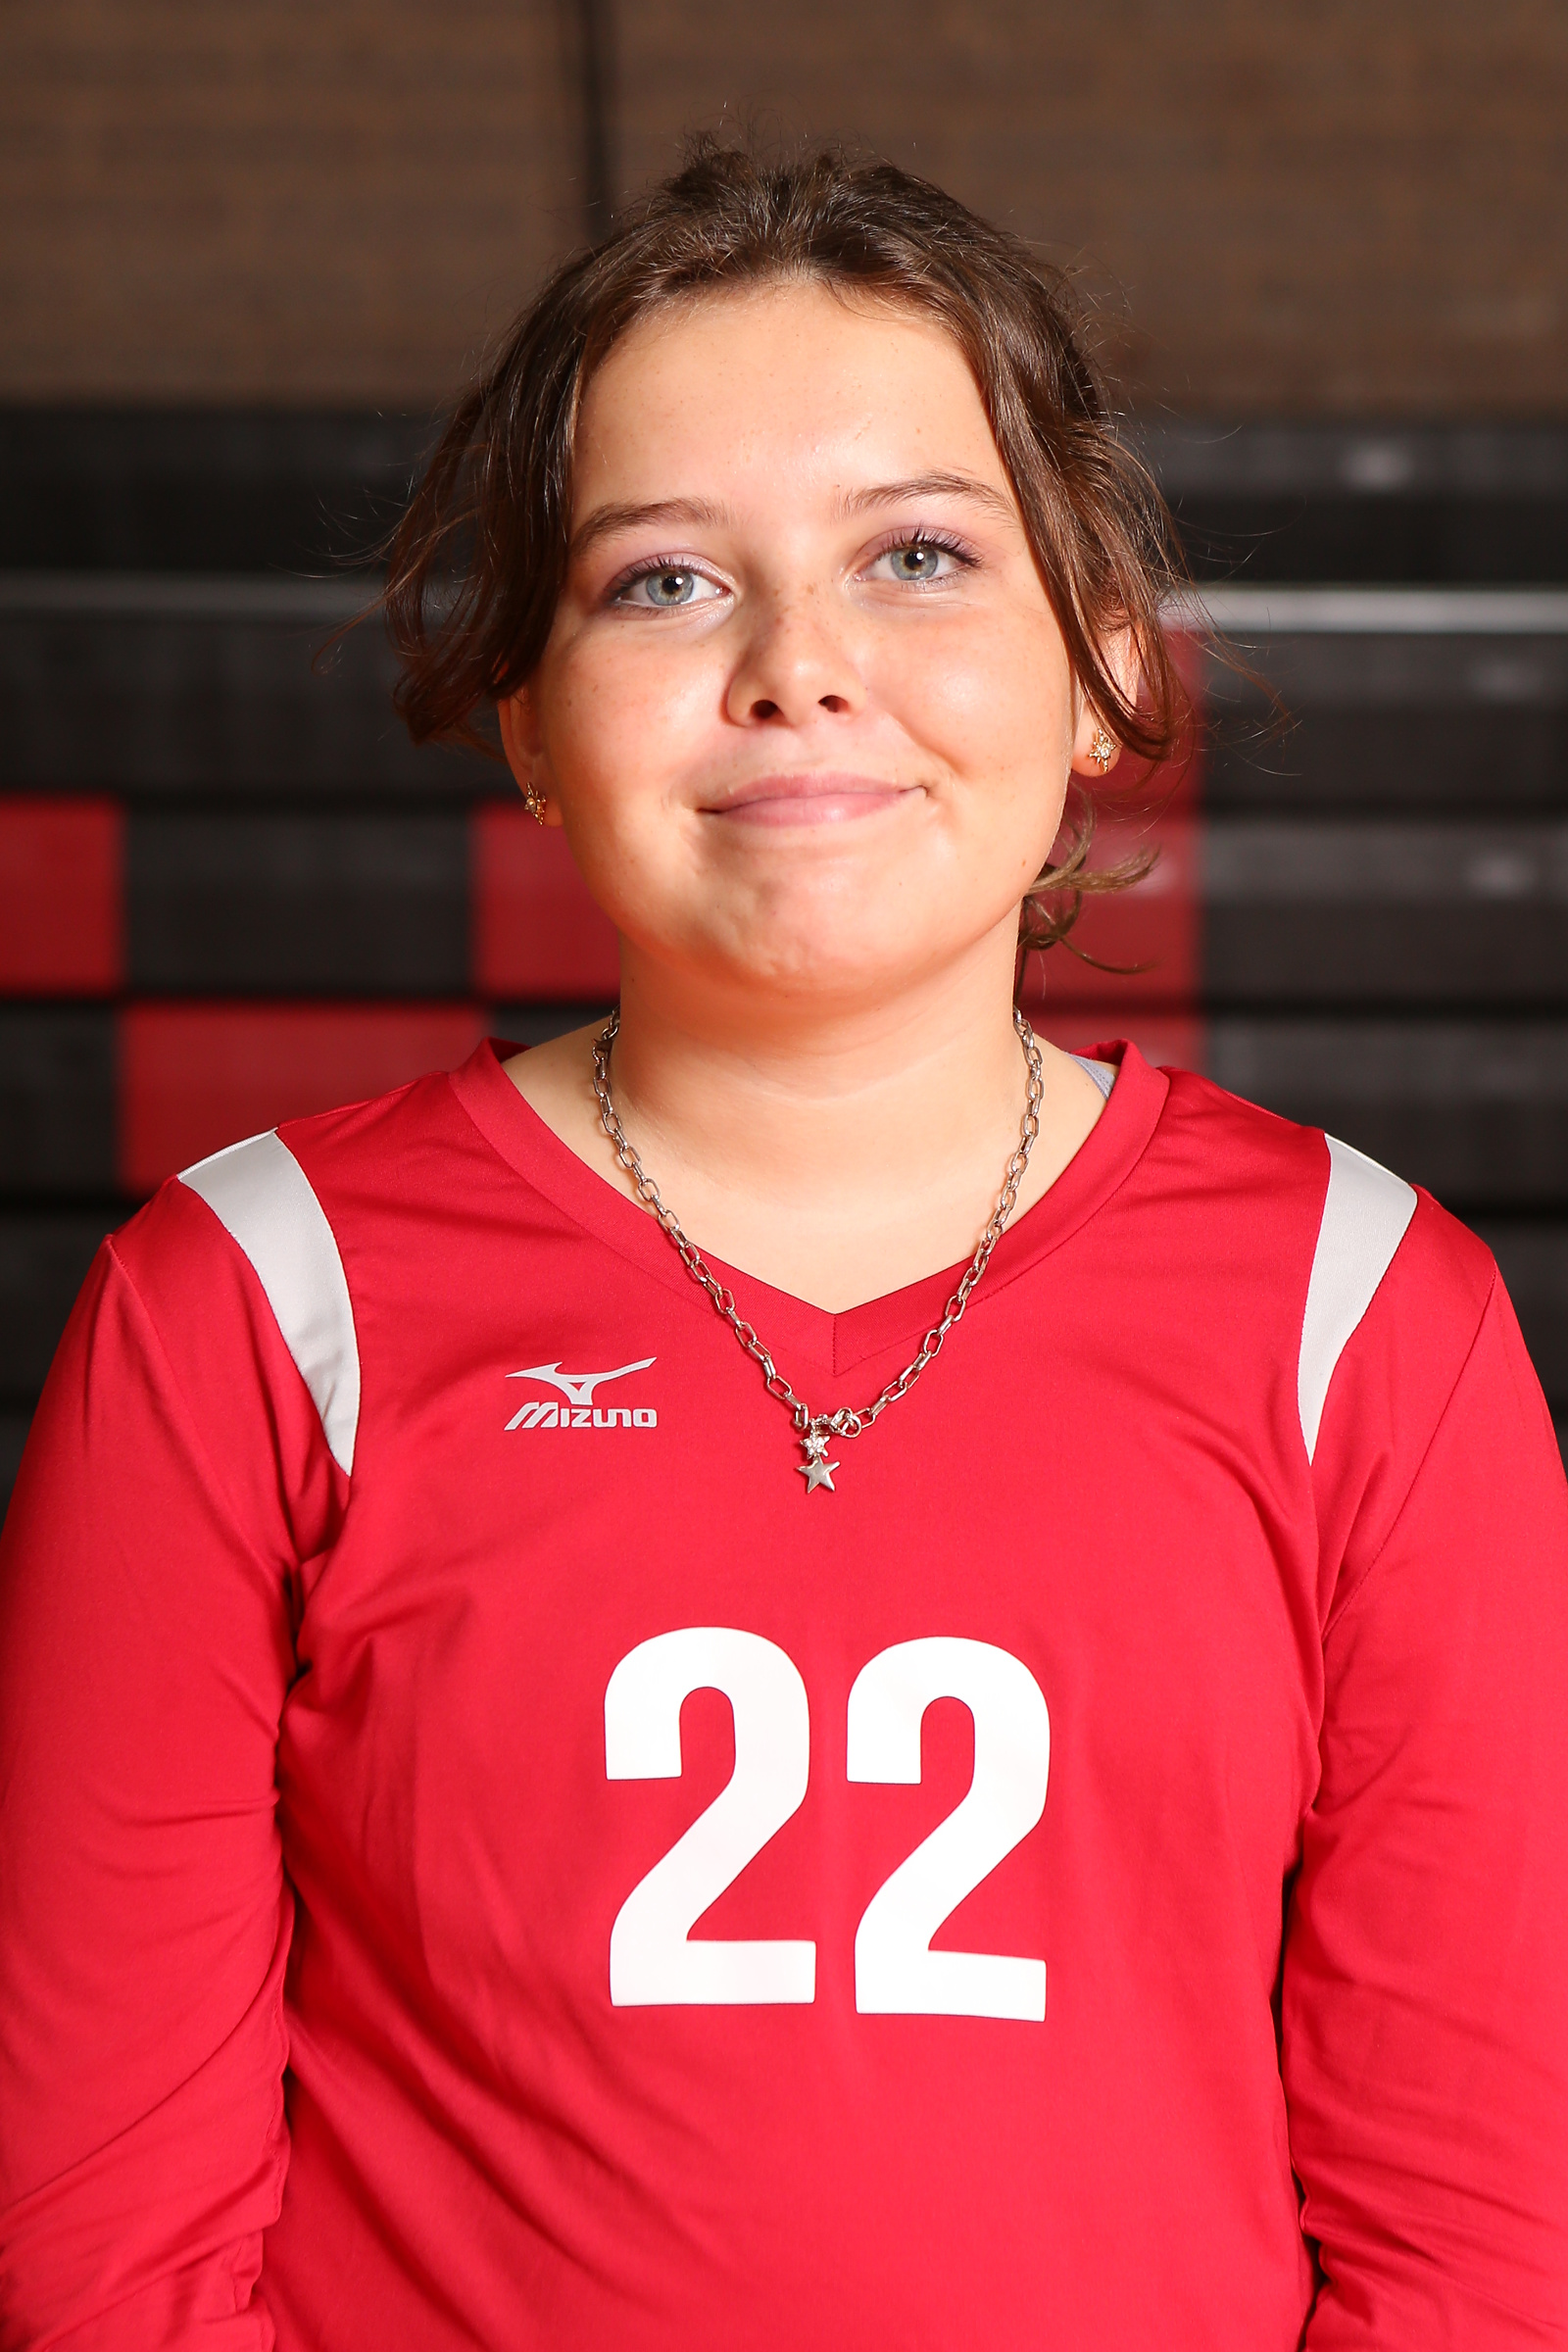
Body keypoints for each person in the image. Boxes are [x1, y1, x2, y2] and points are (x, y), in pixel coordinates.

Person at [1, 143, 1565, 2352]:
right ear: (530, 723)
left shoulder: (1365, 1316)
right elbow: (106, 2248)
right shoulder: (249, 1300)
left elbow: (1472, 2248)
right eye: (660, 581)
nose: (796, 668)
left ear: (1104, 667)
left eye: (917, 555)